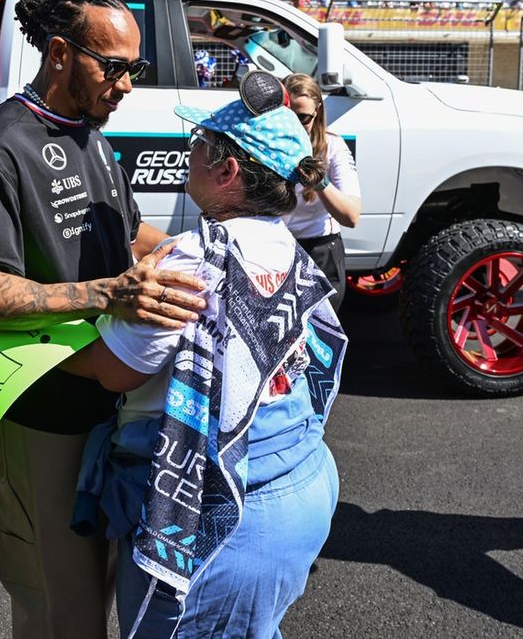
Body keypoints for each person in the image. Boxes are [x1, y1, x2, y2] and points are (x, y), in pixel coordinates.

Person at [0, 0, 207, 639]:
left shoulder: (91, 135)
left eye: (133, 70)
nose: (125, 85)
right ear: (60, 53)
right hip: (44, 416)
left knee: (101, 586)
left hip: (112, 407)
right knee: (60, 604)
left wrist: (204, 251)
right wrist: (106, 293)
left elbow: (129, 231)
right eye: (112, 66)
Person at [68, 71, 345, 637]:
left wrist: (25, 337)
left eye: (197, 144)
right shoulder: (287, 248)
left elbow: (113, 371)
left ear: (227, 169)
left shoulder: (195, 262)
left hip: (221, 516)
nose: (187, 153)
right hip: (300, 486)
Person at [281, 73, 361, 311]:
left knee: (319, 338)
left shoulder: (333, 147)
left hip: (318, 250)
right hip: (277, 247)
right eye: (287, 117)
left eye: (303, 118)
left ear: (318, 112)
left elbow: (352, 215)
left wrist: (320, 183)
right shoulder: (265, 145)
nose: (294, 126)